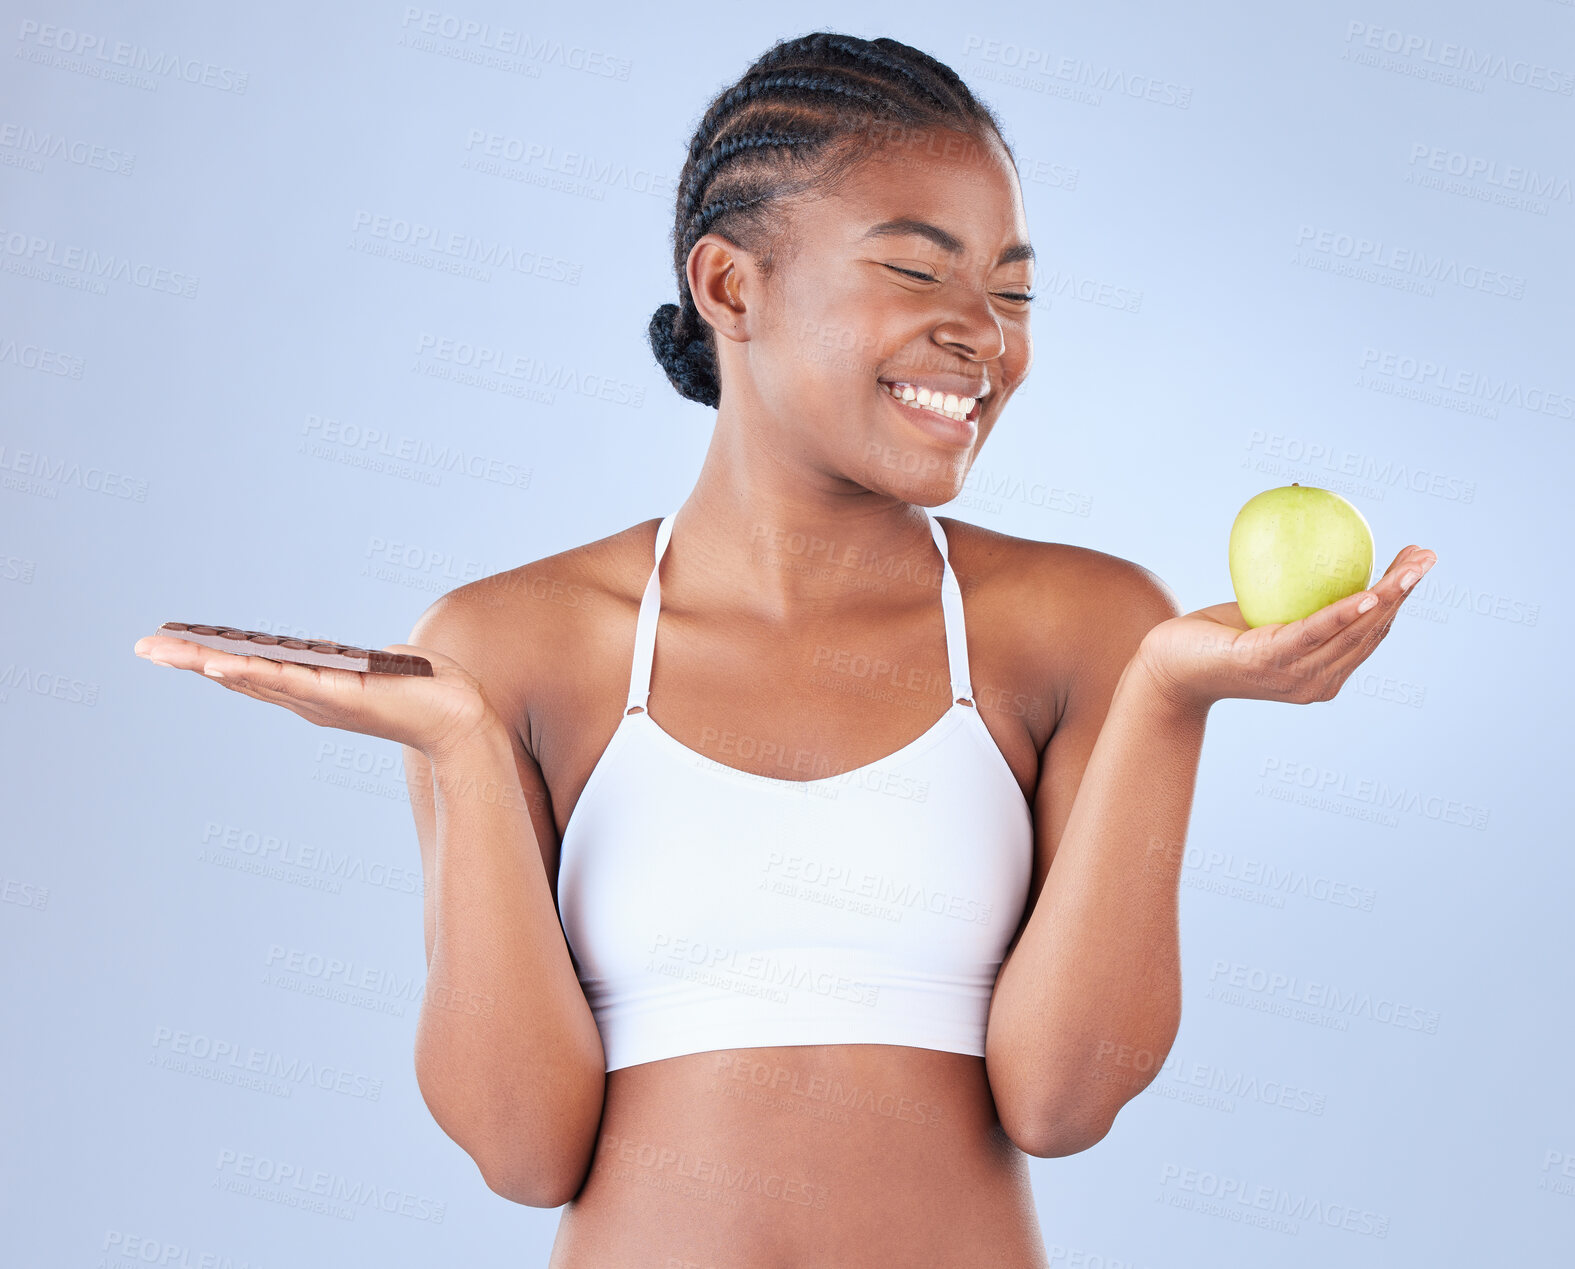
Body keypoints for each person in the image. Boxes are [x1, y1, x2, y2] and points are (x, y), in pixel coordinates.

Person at [133, 31, 1436, 1268]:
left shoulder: (1084, 628)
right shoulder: (504, 647)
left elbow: (1063, 1097)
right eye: (919, 272)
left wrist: (1167, 699)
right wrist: (465, 747)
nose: (983, 334)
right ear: (730, 285)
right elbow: (523, 1149)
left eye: (1011, 290)